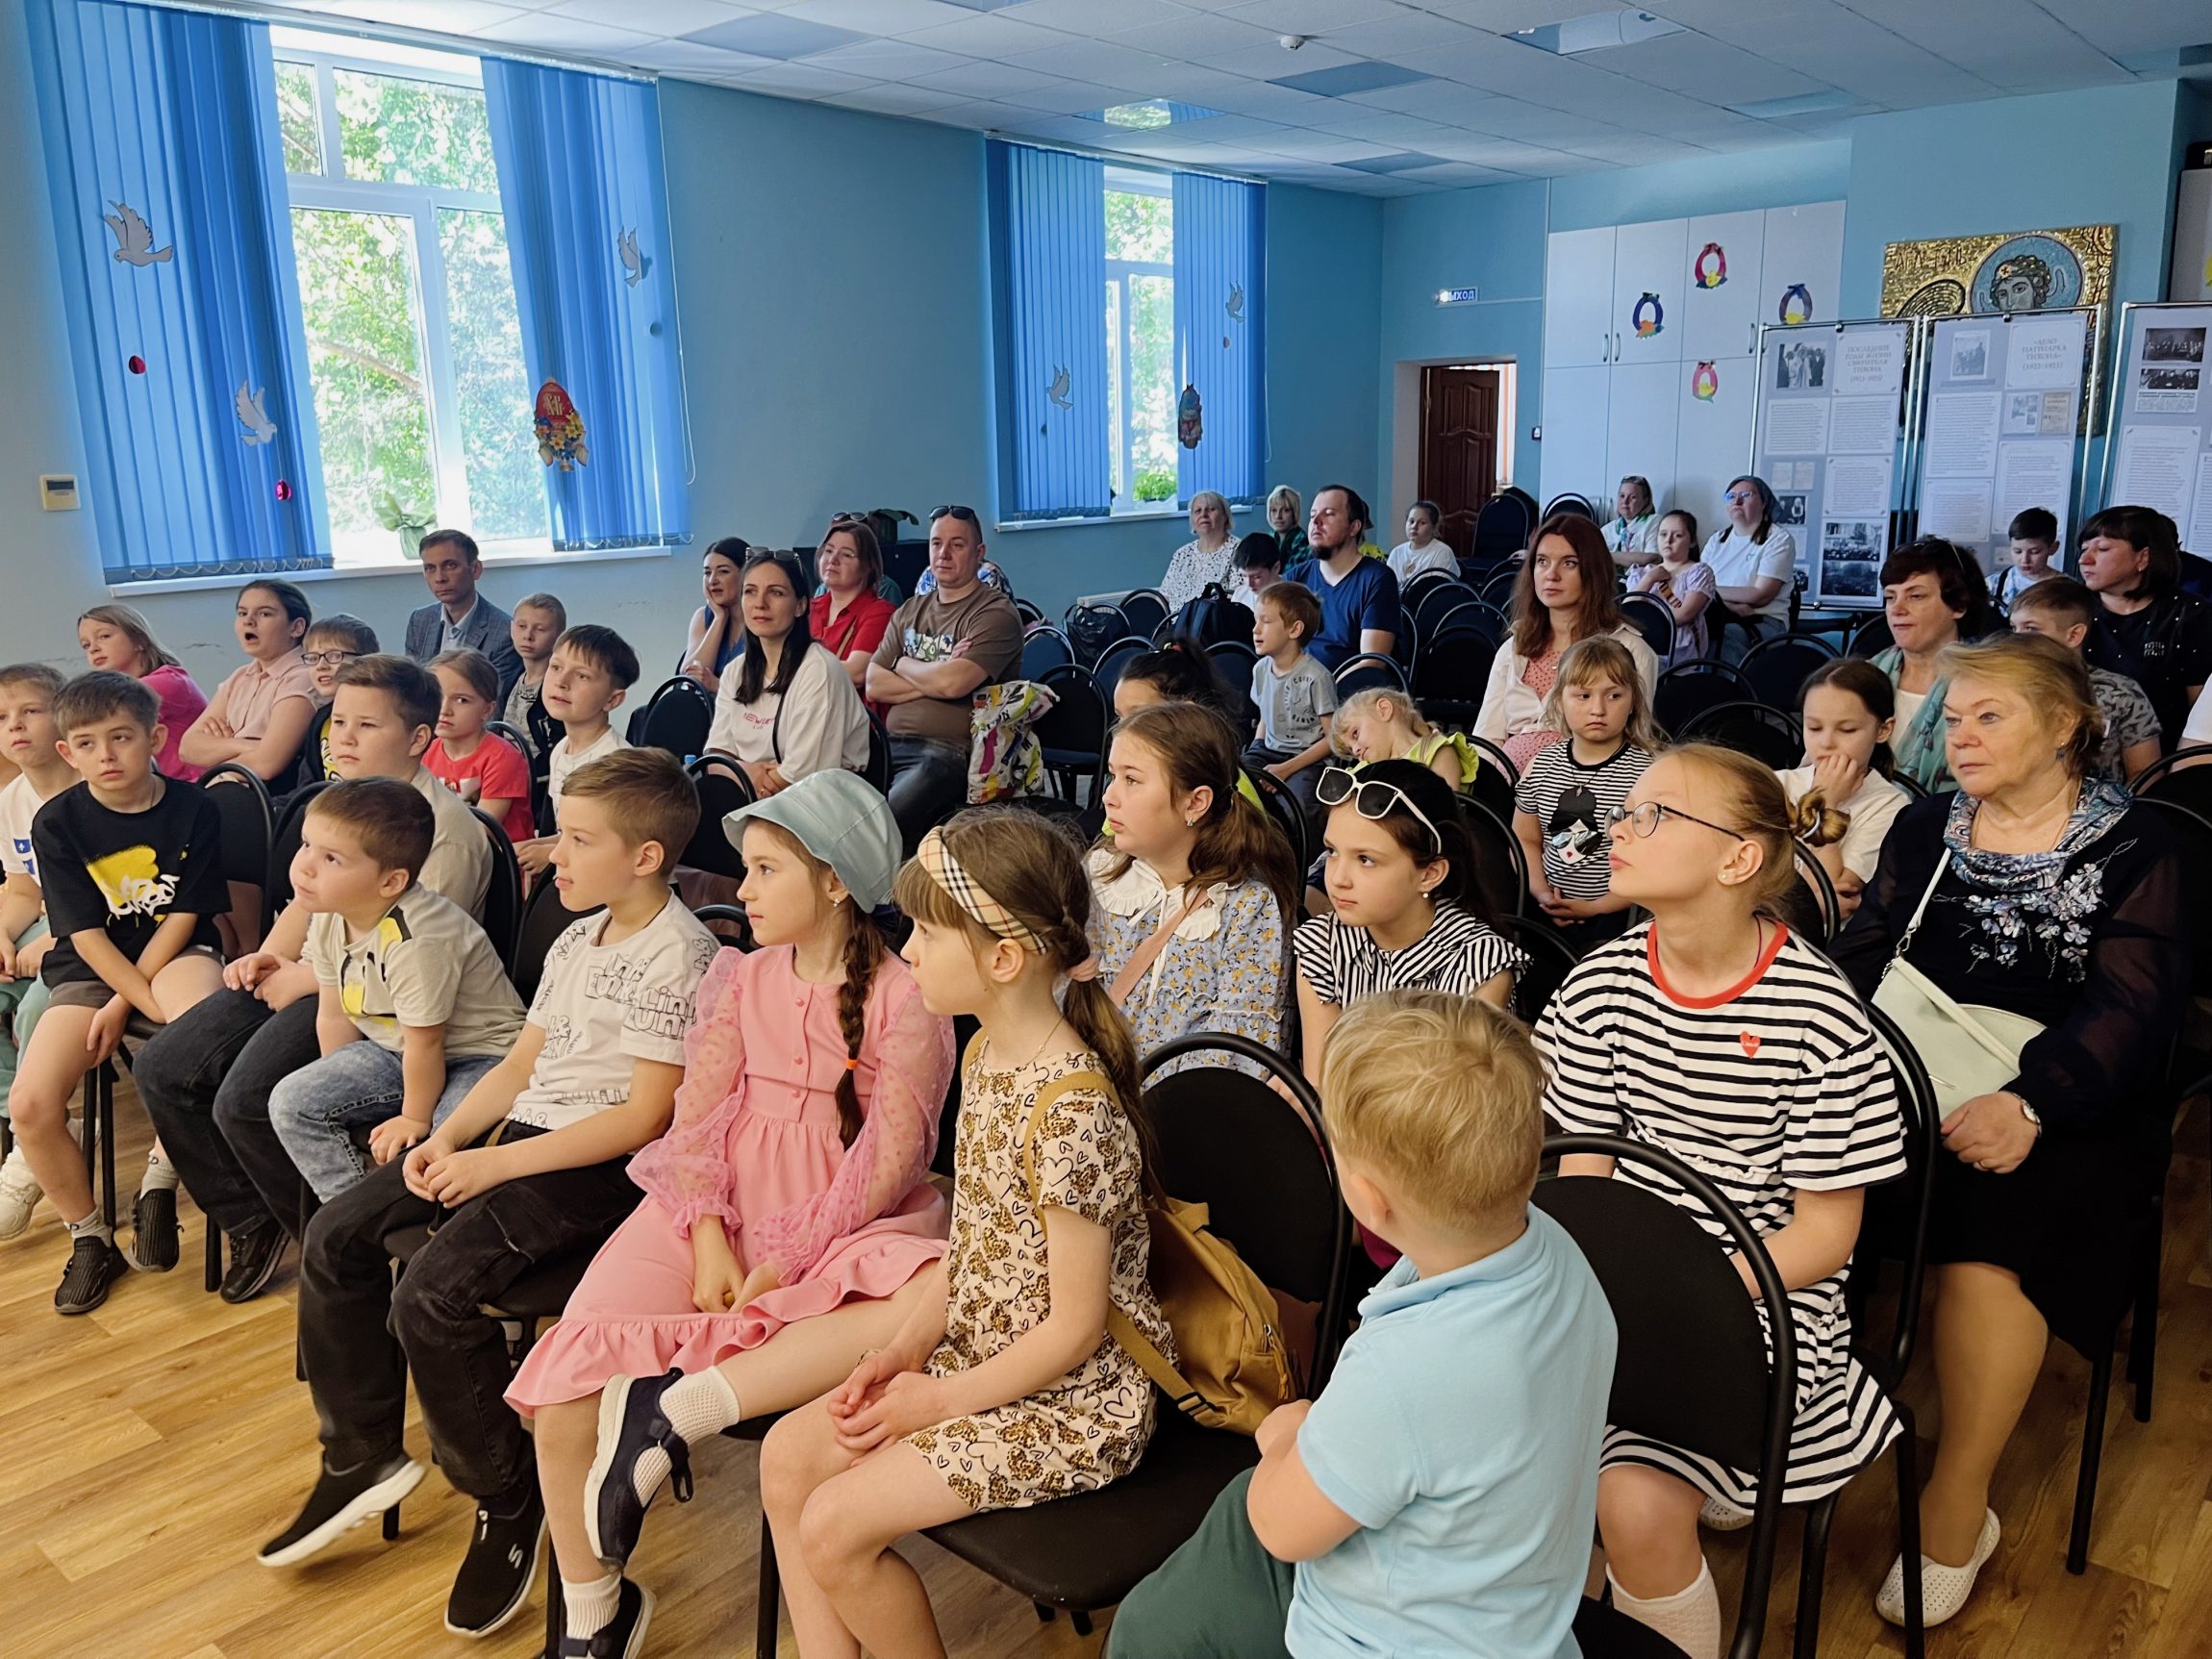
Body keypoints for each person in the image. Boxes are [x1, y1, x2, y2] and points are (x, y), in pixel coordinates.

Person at [257, 751, 717, 1643]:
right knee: (339, 1235)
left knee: (430, 1298)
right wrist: (448, 1138)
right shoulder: (580, 936)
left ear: (645, 857)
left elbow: (642, 1118)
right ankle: (360, 1454)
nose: (554, 855)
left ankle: (508, 1495)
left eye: (577, 840)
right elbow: (517, 1066)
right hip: (521, 1139)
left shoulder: (681, 954)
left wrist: (493, 1168)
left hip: (597, 1169)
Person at [514, 770, 952, 1655]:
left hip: (841, 1228)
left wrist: (785, 1257)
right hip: (709, 1202)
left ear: (834, 880)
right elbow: (697, 1118)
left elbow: (886, 1165)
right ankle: (594, 1612)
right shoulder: (740, 974)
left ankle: (668, 1412)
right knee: (561, 1389)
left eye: (763, 870)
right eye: (745, 869)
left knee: (894, 1294)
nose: (740, 889)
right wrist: (710, 1233)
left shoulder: (909, 998)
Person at [1830, 633, 2188, 1628]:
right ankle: (1785, 1420)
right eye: (1953, 717)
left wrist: (2029, 1103)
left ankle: (1958, 1500)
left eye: (1990, 715)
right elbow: (1864, 953)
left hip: (2069, 1093)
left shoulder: (2139, 846)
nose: (1961, 736)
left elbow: (2130, 1010)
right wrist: (1825, 1055)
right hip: (1913, 1068)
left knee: (1992, 1240)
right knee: (1792, 1175)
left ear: (2067, 724)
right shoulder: (1926, 826)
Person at [758, 809, 1170, 1659]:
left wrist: (937, 1399)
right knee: (785, 1459)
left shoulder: (1073, 1110)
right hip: (981, 1359)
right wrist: (902, 1350)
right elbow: (975, 1244)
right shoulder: (984, 1052)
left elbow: (1076, 1327)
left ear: (1003, 959)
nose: (906, 950)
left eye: (926, 933)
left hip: (1070, 1402)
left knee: (834, 1525)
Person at [1110, 991, 1616, 1659]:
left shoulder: (1404, 1372)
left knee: (1155, 1619)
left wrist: (1287, 1431)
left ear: (1368, 1201)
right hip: (1517, 1619)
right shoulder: (1564, 1256)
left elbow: (1281, 1529)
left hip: (1375, 1641)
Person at [1540, 743, 1908, 1659]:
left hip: (1765, 1300)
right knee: (1505, 1455)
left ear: (1738, 858)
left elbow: (1824, 1235)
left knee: (1628, 1499)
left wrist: (1683, 1293)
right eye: (1627, 809)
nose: (1618, 826)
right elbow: (1584, 1178)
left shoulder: (1820, 1015)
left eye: (1654, 814)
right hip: (1627, 1284)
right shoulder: (1598, 985)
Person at [130, 655, 493, 1304]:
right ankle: (254, 1218)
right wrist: (266, 958)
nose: (343, 737)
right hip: (322, 972)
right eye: (339, 722)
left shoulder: (445, 833)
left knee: (243, 1099)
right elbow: (309, 899)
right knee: (163, 1066)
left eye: (366, 725)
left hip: (378, 1002)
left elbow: (413, 959)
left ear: (417, 738)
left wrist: (302, 979)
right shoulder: (338, 803)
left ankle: (332, 1247)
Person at [8, 671, 228, 1313]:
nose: (106, 755)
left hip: (175, 952)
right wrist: (119, 993)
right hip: (89, 965)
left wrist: (125, 1002)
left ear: (155, 738)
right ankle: (89, 1236)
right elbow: (83, 934)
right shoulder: (57, 821)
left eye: (121, 737)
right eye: (87, 743)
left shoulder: (195, 807)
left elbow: (184, 917)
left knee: (201, 1039)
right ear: (67, 751)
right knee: (30, 1103)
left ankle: (159, 1177)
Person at [266, 780, 524, 1201]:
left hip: (480, 1055)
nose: (305, 866)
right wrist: (342, 1081)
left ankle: (405, 1222)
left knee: (441, 1141)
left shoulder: (419, 939)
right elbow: (333, 1014)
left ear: (391, 882)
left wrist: (413, 1118)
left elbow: (428, 1043)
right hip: (396, 1050)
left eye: (331, 858)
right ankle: (349, 1209)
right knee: (291, 1102)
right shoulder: (331, 914)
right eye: (306, 845)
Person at [1091, 701, 1295, 1072]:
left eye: (1132, 780)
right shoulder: (1101, 875)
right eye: (1112, 776)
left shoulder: (1246, 908)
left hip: (1183, 1102)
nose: (1109, 796)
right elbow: (1063, 996)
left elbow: (1238, 1051)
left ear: (1195, 802)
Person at [1295, 762, 1525, 1083]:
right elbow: (1322, 1083)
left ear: (1429, 874)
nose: (1337, 878)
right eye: (1332, 851)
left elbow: (1452, 1101)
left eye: (1365, 859)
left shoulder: (1480, 967)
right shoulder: (1320, 945)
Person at [867, 505, 1023, 849]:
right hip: (888, 745)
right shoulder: (910, 610)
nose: (944, 553)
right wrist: (937, 672)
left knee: (878, 826)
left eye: (957, 545)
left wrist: (903, 664)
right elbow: (874, 682)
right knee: (831, 801)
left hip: (947, 754)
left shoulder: (995, 613)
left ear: (979, 553)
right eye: (937, 543)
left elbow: (954, 684)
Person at [1476, 514, 1658, 772]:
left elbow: (1633, 747)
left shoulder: (1631, 650)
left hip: (1582, 785)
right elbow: (1486, 738)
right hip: (1504, 784)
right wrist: (1484, 788)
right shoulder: (1515, 646)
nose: (1551, 575)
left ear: (1593, 571)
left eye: (1569, 563)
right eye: (1542, 561)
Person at [1513, 636, 1659, 946]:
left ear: (1634, 701)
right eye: (1583, 695)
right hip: (1544, 913)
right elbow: (1525, 838)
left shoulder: (1648, 775)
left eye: (1614, 696)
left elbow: (1653, 862)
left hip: (1619, 921)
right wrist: (1541, 894)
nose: (1598, 709)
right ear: (1559, 700)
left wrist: (1597, 907)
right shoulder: (1542, 765)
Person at [0, 665, 73, 1239]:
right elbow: (22, 888)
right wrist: (3, 933)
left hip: (101, 931)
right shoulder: (13, 798)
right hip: (45, 921)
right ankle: (18, 1120)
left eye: (30, 711)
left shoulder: (98, 784)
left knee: (37, 1009)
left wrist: (57, 937)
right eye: (2, 718)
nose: (15, 726)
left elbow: (118, 895)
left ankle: (31, 1148)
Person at [706, 548, 870, 795]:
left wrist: (743, 775)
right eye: (750, 591)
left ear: (800, 606)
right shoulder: (734, 672)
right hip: (751, 793)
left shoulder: (819, 670)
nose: (760, 603)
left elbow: (802, 776)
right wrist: (749, 774)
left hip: (817, 801)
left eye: (776, 592)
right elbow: (715, 758)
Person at [1778, 658, 1909, 915]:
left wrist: (1826, 802)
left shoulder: (1891, 806)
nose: (1826, 742)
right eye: (1814, 727)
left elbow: (1830, 893)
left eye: (1847, 730)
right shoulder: (1777, 783)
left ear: (1883, 730)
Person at [2077, 505, 2212, 753]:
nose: (2085, 560)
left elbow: (2201, 708)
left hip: (2164, 757)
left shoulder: (2192, 614)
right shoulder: (2070, 606)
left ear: (2143, 558)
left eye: (2102, 549)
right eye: (2084, 549)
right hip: (2078, 751)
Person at [2007, 577, 2163, 784]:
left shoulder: (2120, 692)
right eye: (2014, 628)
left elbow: (2145, 772)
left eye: (2031, 628)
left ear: (2074, 635)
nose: (2017, 638)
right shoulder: (2003, 687)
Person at [1872, 538, 1996, 794]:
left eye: (1915, 596)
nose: (1897, 609)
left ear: (1958, 605)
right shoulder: (1863, 676)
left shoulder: (1990, 684)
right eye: (1890, 597)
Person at [519, 625, 639, 880]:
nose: (561, 682)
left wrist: (550, 854)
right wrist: (528, 847)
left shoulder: (614, 763)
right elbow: (568, 833)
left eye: (582, 676)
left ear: (612, 700)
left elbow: (610, 845)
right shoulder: (561, 750)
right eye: (556, 667)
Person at [178, 579, 317, 783]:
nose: (249, 621)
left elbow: (266, 764)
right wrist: (247, 745)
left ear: (296, 627)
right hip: (227, 788)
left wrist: (218, 754)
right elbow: (188, 748)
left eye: (265, 614)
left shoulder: (304, 676)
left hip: (268, 794)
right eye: (242, 613)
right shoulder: (240, 677)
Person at [76, 603, 206, 781]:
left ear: (139, 641)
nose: (93, 648)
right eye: (86, 645)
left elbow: (95, 708)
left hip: (193, 785)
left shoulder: (169, 681)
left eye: (104, 636)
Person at [1244, 581, 1337, 817]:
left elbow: (1333, 739)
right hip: (1268, 751)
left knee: (1297, 807)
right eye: (1255, 621)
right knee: (1234, 782)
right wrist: (1256, 747)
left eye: (1265, 622)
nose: (1255, 630)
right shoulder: (1260, 669)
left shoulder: (1317, 676)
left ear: (1294, 630)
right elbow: (1265, 715)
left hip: (1307, 759)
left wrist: (1285, 769)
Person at [1282, 485, 1400, 671]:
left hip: (1351, 687)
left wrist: (1322, 685)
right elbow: (1277, 646)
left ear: (1354, 527)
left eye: (1329, 514)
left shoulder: (1377, 579)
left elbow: (1372, 664)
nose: (1316, 522)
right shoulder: (1295, 578)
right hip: (1296, 684)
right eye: (1312, 515)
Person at [424, 649, 535, 843]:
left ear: (487, 710)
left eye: (462, 700)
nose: (444, 709)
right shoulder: (428, 751)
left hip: (497, 857)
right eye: (437, 696)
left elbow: (481, 830)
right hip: (446, 846)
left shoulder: (503, 758)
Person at [405, 529, 521, 704]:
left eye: (450, 566)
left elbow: (492, 706)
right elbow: (411, 691)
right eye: (430, 568)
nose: (439, 578)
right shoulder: (419, 620)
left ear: (475, 569)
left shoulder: (505, 632)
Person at [1702, 475, 1797, 662]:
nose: (1737, 501)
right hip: (1719, 614)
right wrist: (1727, 606)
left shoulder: (1778, 539)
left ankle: (1722, 682)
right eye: (1731, 496)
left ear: (1764, 503)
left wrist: (1711, 593)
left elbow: (1760, 595)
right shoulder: (1716, 540)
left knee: (1724, 635)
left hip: (1762, 621)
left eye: (1746, 495)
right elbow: (1695, 586)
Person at [812, 515, 897, 696]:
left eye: (846, 554)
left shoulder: (880, 611)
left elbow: (856, 673)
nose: (833, 560)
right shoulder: (809, 608)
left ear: (868, 566)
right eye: (828, 551)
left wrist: (794, 670)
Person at [1330, 687, 1476, 791]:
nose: (1355, 750)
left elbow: (1445, 811)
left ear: (1384, 710)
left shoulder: (1435, 751)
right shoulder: (1365, 769)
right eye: (1350, 749)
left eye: (1355, 734)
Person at [295, 615, 380, 788]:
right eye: (313, 658)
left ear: (366, 660)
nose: (321, 666)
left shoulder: (380, 715)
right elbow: (307, 786)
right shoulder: (321, 719)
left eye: (334, 656)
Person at [1626, 509, 1719, 665]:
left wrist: (1645, 624)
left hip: (1677, 652)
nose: (1668, 540)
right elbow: (1628, 610)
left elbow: (1684, 615)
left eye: (1678, 535)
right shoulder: (1642, 573)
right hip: (1640, 646)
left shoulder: (1698, 572)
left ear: (1692, 541)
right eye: (1663, 534)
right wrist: (1649, 579)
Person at [504, 591, 566, 765]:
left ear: (559, 636)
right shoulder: (509, 680)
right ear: (512, 629)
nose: (528, 636)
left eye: (540, 629)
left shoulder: (560, 688)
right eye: (521, 626)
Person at [679, 538, 748, 691]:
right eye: (707, 572)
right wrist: (719, 619)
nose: (712, 580)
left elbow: (766, 691)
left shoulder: (761, 619)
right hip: (703, 704)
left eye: (723, 571)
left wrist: (717, 685)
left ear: (745, 575)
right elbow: (689, 679)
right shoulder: (703, 616)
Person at [1163, 490, 1238, 611]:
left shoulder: (1239, 551)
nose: (1203, 515)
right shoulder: (1182, 554)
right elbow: (1164, 597)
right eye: (1198, 511)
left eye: (1211, 509)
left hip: (1218, 621)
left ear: (1225, 516)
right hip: (1176, 621)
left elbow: (1239, 598)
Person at [1989, 507, 2058, 614]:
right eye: (2017, 551)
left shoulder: (2067, 589)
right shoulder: (1994, 584)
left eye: (2034, 552)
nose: (2024, 559)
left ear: (2053, 548)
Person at [1387, 500, 1458, 586]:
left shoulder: (1442, 552)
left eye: (1422, 523)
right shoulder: (1396, 552)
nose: (1414, 527)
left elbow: (1441, 588)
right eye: (1411, 521)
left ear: (1434, 527)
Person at [1602, 474, 1660, 565]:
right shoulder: (1608, 529)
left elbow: (1652, 558)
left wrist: (1605, 556)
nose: (1625, 502)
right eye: (1622, 496)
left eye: (1633, 497)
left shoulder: (1654, 522)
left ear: (1645, 500)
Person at [1236, 529, 1284, 600]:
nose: (1249, 584)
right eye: (1244, 576)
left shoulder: (1293, 597)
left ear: (1276, 568)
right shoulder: (1240, 595)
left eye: (1257, 577)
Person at [1267, 484, 1308, 565]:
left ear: (1294, 513)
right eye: (1274, 510)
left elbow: (1293, 571)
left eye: (1286, 510)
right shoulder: (1270, 539)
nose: (1278, 516)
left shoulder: (1301, 541)